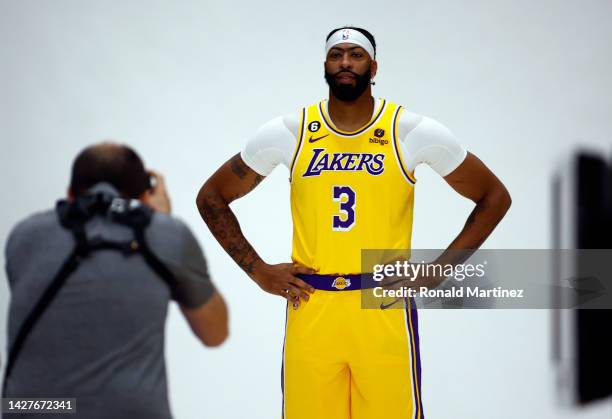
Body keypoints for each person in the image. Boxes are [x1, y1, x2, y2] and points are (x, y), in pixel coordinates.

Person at [196, 26, 511, 419]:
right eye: (336, 54)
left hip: (382, 303)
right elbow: (211, 198)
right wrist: (257, 270)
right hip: (311, 304)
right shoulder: (291, 132)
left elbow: (495, 197)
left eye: (356, 54)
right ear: (325, 66)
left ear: (373, 66)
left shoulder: (409, 131)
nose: (345, 62)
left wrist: (438, 270)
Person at [3, 142, 228, 419]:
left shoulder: (24, 236)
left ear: (70, 193)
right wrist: (160, 221)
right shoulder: (167, 235)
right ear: (146, 196)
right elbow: (215, 332)